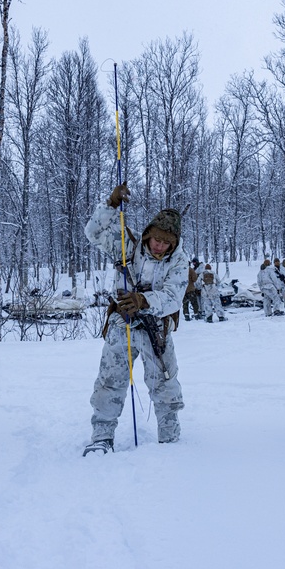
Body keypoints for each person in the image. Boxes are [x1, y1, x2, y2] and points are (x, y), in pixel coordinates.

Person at [83, 184, 186, 455]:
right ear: (148, 234)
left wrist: (145, 300)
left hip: (157, 329)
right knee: (110, 381)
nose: (160, 246)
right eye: (156, 240)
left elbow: (174, 297)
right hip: (122, 326)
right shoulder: (127, 246)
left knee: (165, 384)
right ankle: (102, 437)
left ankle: (170, 439)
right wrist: (109, 206)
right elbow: (92, 233)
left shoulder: (178, 261)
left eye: (167, 243)